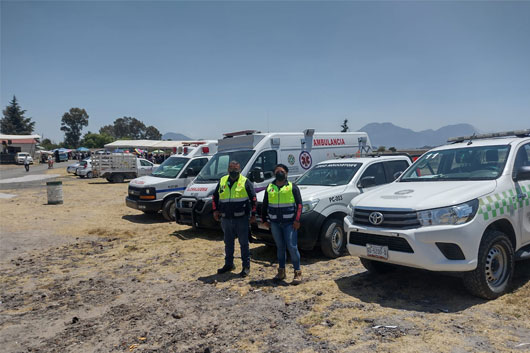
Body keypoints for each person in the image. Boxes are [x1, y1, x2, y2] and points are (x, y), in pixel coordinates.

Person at [212, 160, 257, 277]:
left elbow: (253, 199)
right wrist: (215, 210)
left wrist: (253, 214)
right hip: (226, 219)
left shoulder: (245, 182)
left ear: (240, 170)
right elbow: (215, 197)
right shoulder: (222, 181)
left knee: (244, 243)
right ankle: (229, 264)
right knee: (228, 243)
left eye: (235, 169)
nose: (233, 171)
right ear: (228, 170)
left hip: (241, 218)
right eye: (231, 169)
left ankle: (246, 266)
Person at [262, 164, 303, 285]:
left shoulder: (292, 187)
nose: (279, 173)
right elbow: (265, 204)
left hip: (290, 223)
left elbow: (299, 205)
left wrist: (297, 220)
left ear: (286, 173)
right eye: (277, 171)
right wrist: (264, 219)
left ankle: (297, 272)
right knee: (280, 247)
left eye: (282, 171)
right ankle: (281, 271)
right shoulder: (269, 187)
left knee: (292, 246)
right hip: (275, 223)